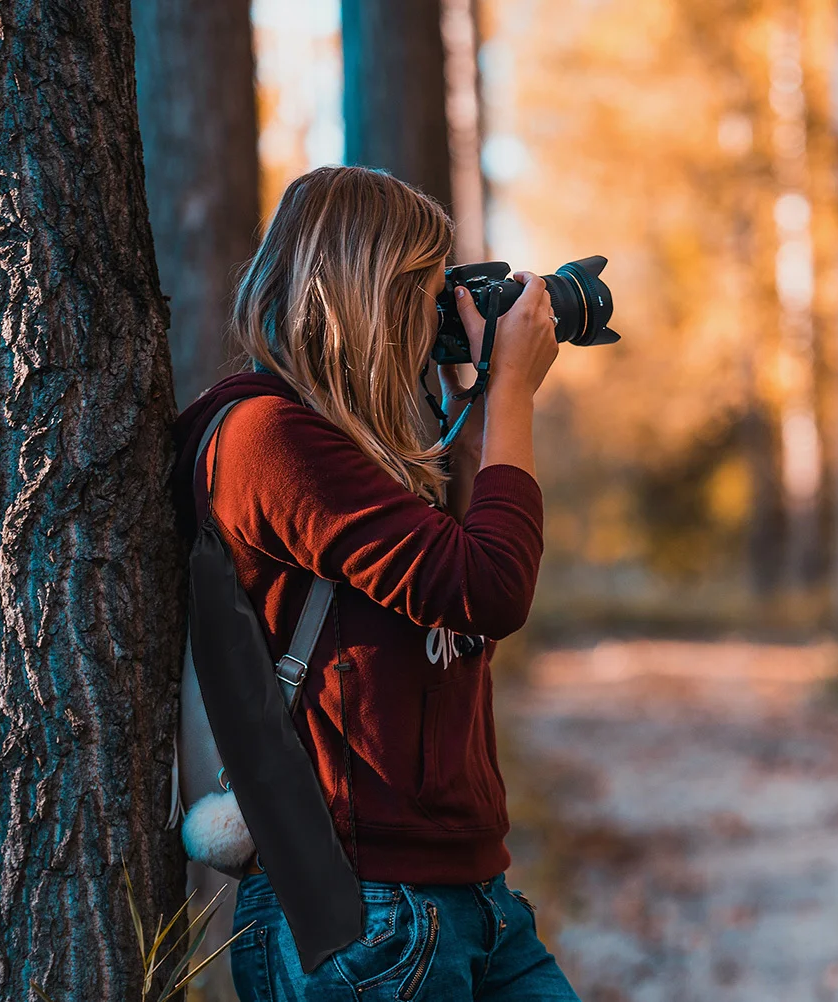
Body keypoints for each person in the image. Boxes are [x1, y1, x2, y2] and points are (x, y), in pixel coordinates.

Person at [171, 165, 579, 1000]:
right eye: (430, 294)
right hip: (370, 916)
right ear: (374, 293)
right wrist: (509, 395)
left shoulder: (350, 447)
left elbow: (463, 568)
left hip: (471, 900)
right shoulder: (266, 437)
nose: (440, 319)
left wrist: (468, 392)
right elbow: (490, 587)